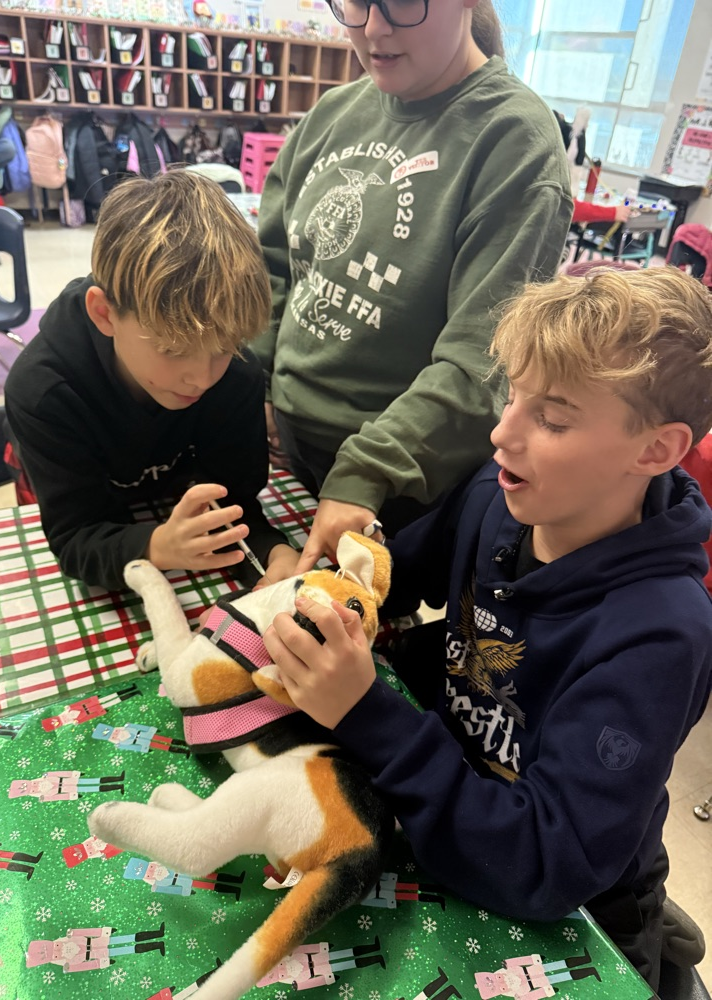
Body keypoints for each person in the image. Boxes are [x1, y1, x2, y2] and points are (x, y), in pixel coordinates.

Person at [263, 266, 712, 990]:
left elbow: (546, 862)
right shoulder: (497, 495)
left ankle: (654, 936)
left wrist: (366, 713)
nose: (502, 433)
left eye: (553, 419)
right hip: (449, 800)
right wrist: (327, 591)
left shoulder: (664, 634)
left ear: (656, 451)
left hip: (571, 896)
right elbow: (392, 580)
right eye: (512, 395)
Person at [253, 0, 573, 572]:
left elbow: (482, 362)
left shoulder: (513, 141)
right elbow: (271, 266)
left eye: (402, 1)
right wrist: (257, 385)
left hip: (396, 480)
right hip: (285, 446)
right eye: (356, 3)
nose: (373, 28)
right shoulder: (334, 113)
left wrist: (367, 469)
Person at [5, 171, 299, 591]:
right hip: (78, 492)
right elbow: (74, 536)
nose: (202, 379)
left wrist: (273, 551)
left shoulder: (236, 377)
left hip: (169, 496)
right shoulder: (43, 393)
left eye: (226, 346)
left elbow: (234, 503)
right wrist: (156, 545)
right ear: (104, 314)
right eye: (173, 349)